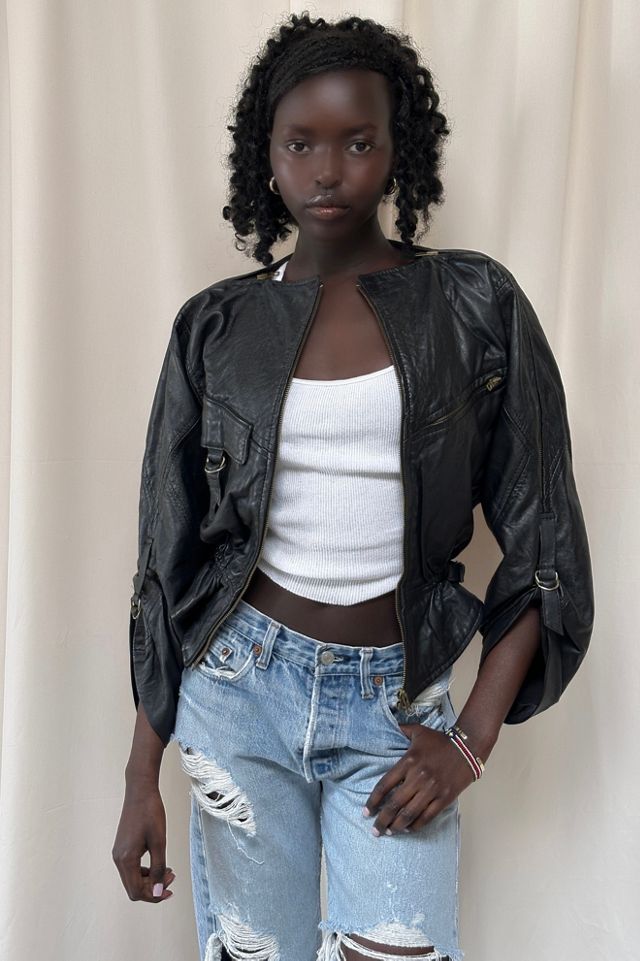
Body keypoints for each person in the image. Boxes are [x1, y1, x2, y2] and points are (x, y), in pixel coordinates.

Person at [112, 12, 594, 961]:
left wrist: (469, 739)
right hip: (238, 692)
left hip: (396, 699)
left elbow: (544, 543)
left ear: (397, 148)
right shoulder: (215, 326)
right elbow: (167, 558)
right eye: (301, 144)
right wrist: (140, 774)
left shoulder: (476, 303)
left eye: (358, 142)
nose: (327, 171)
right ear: (266, 156)